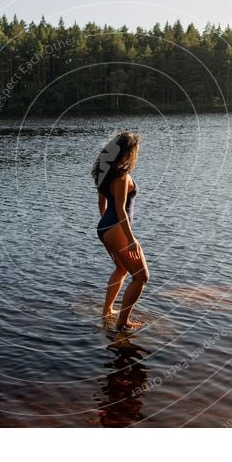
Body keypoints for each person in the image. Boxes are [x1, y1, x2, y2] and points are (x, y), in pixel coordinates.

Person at [92, 132, 149, 330]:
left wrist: (107, 229)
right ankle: (123, 323)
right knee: (141, 277)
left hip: (105, 227)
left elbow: (102, 203)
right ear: (126, 152)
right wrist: (130, 238)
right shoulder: (122, 175)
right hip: (115, 226)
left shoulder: (104, 172)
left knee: (122, 269)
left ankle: (107, 311)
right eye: (134, 151)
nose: (135, 155)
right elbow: (119, 210)